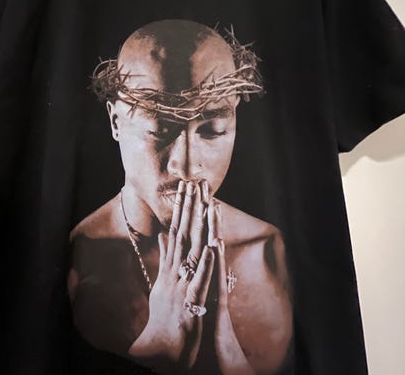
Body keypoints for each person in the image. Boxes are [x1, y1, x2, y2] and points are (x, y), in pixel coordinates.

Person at [68, 19, 294, 375]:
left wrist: (222, 341)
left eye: (213, 130)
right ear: (115, 122)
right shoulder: (77, 257)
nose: (187, 166)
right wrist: (157, 346)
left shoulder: (267, 249)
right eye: (160, 129)